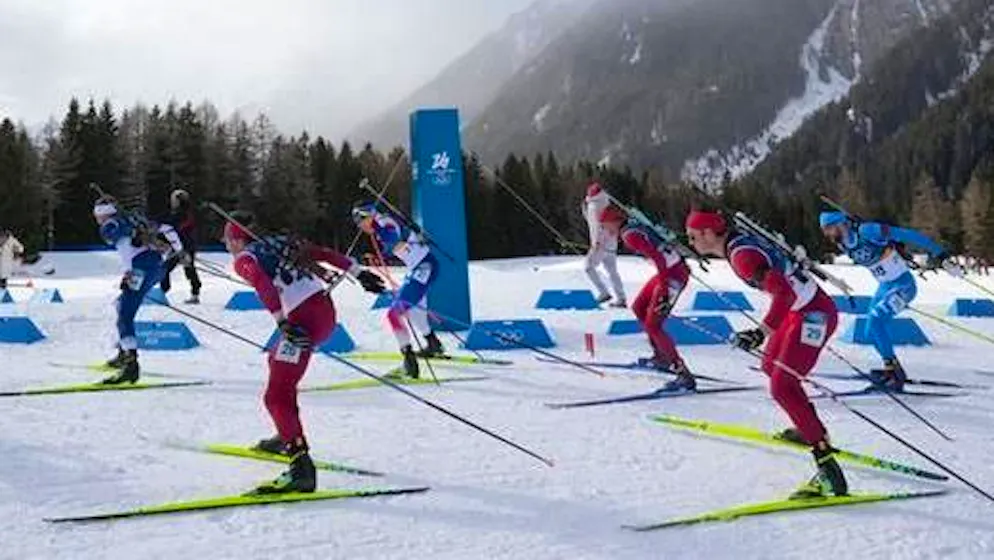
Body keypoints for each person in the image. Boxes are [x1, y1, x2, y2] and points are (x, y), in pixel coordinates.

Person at [686, 209, 847, 498]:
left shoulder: (741, 257)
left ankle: (828, 470)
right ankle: (809, 428)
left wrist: (759, 333)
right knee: (771, 366)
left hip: (814, 316)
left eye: (693, 236)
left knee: (783, 385)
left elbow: (783, 293)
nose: (691, 242)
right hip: (800, 312)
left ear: (709, 234)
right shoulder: (738, 244)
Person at [224, 215, 385, 493]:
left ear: (238, 239)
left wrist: (282, 322)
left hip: (303, 322)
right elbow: (322, 253)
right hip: (324, 312)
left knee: (275, 395)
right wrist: (359, 273)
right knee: (277, 363)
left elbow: (262, 284)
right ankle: (285, 435)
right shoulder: (279, 242)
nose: (227, 246)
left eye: (227, 240)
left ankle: (301, 468)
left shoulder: (244, 259)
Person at [818, 212, 960, 390]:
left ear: (841, 224)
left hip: (903, 287)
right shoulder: (844, 243)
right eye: (825, 231)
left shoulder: (867, 231)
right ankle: (891, 368)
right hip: (885, 287)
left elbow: (907, 235)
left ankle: (893, 371)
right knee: (870, 330)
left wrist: (940, 254)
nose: (828, 235)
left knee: (876, 322)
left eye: (829, 229)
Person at [94, 196, 181, 384]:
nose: (97, 220)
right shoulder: (133, 220)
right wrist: (178, 250)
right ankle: (123, 354)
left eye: (97, 215)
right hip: (155, 267)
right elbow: (167, 228)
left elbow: (118, 241)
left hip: (141, 269)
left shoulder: (112, 224)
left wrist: (129, 273)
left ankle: (131, 367)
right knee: (120, 304)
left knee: (125, 314)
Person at [352, 202, 444, 379]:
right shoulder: (381, 225)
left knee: (394, 315)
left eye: (359, 221)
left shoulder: (385, 223)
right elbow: (396, 246)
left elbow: (393, 239)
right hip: (419, 268)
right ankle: (433, 344)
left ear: (368, 216)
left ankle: (409, 362)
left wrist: (380, 243)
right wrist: (378, 257)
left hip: (423, 268)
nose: (359, 227)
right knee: (415, 311)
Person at [612, 208, 695, 391]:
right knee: (639, 307)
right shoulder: (633, 226)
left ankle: (682, 373)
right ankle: (661, 357)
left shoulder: (629, 235)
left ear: (615, 222)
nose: (605, 230)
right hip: (670, 272)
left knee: (653, 325)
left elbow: (658, 257)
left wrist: (665, 288)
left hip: (672, 276)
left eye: (605, 225)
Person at [583, 183, 627, 307]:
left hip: (600, 243)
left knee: (588, 267)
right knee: (612, 272)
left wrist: (596, 242)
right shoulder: (606, 203)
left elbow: (596, 225)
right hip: (611, 244)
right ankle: (621, 298)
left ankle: (603, 292)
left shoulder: (593, 206)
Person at [160, 189, 203, 304]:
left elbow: (177, 228)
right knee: (168, 268)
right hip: (178, 246)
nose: (172, 202)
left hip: (185, 246)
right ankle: (163, 290)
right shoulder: (178, 213)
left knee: (185, 269)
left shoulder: (185, 214)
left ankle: (194, 293)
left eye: (174, 200)